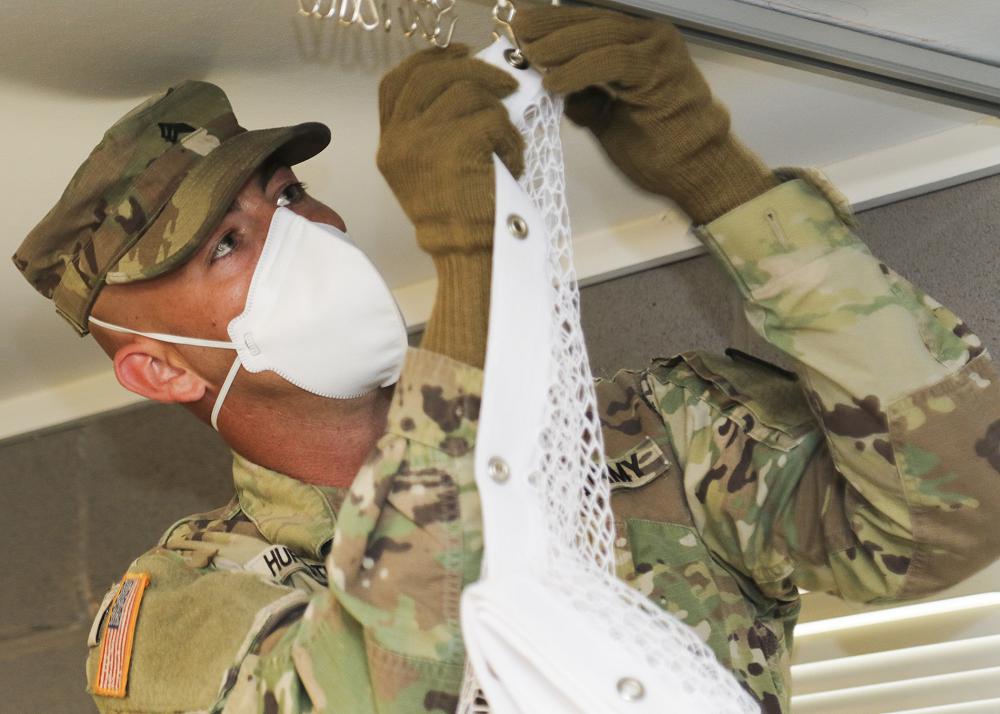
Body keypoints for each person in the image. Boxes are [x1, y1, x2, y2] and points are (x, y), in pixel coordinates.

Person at [12, 6, 1000, 713]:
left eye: (291, 195)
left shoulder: (643, 434)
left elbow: (953, 511)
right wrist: (476, 280)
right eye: (228, 244)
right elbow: (387, 692)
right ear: (162, 371)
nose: (305, 232)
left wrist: (717, 179)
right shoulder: (181, 612)